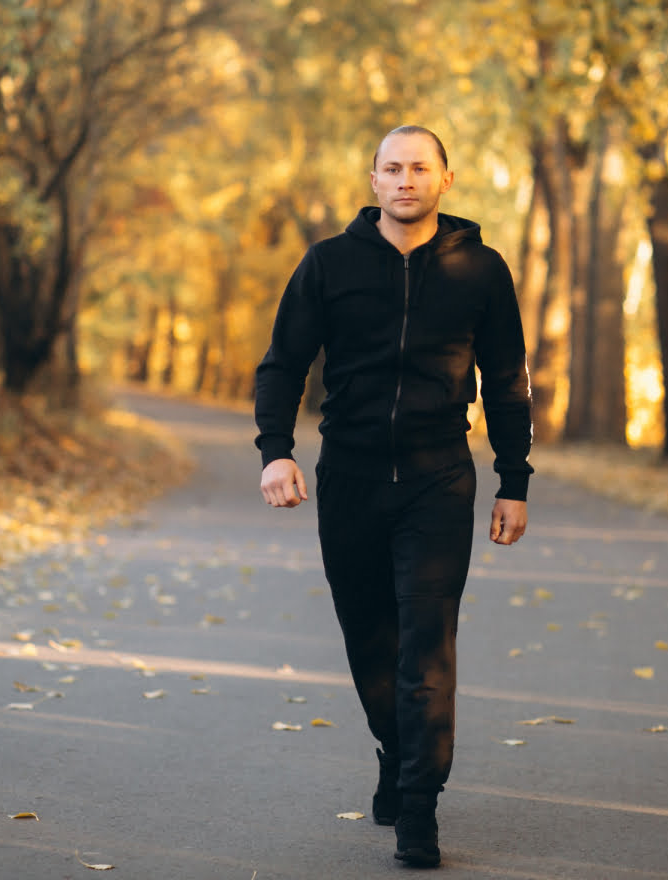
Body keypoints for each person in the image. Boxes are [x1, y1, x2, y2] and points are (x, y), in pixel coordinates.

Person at [253, 124, 533, 868]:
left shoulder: (482, 270)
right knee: (370, 639)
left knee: (427, 643)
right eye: (393, 168)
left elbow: (508, 380)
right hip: (350, 477)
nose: (406, 180)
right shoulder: (330, 263)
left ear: (445, 180)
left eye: (420, 168)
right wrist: (275, 451)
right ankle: (395, 748)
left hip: (440, 479)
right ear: (374, 180)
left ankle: (418, 804)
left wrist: (513, 482)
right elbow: (283, 363)